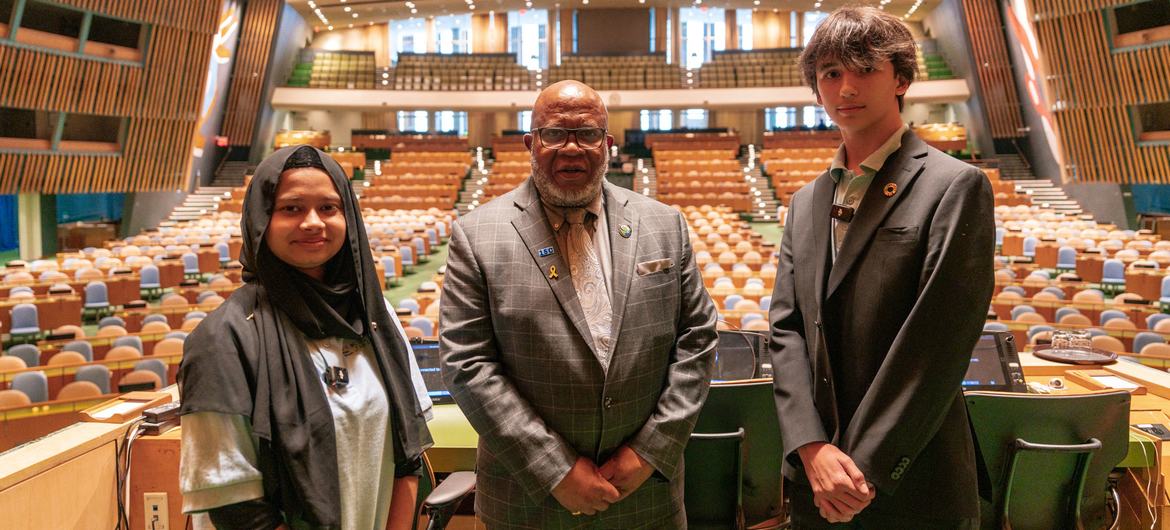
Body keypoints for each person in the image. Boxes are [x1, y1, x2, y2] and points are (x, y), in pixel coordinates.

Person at [440, 80, 718, 528]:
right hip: (528, 504)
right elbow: (467, 364)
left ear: (607, 144)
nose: (571, 148)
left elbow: (698, 341)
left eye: (587, 134)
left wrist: (649, 451)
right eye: (554, 133)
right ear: (531, 143)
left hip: (646, 499)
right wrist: (555, 469)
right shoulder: (477, 235)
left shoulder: (665, 224)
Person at [768, 7, 994, 528]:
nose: (846, 86)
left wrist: (861, 468)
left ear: (902, 78)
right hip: (817, 480)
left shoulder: (954, 185)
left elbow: (938, 339)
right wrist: (810, 447)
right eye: (830, 73)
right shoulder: (805, 201)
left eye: (865, 68)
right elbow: (786, 331)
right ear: (816, 90)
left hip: (910, 476)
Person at [178, 145, 434, 530]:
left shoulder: (378, 321)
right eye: (291, 208)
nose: (313, 222)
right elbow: (235, 506)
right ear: (261, 221)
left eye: (329, 208)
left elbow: (407, 458)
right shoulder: (223, 339)